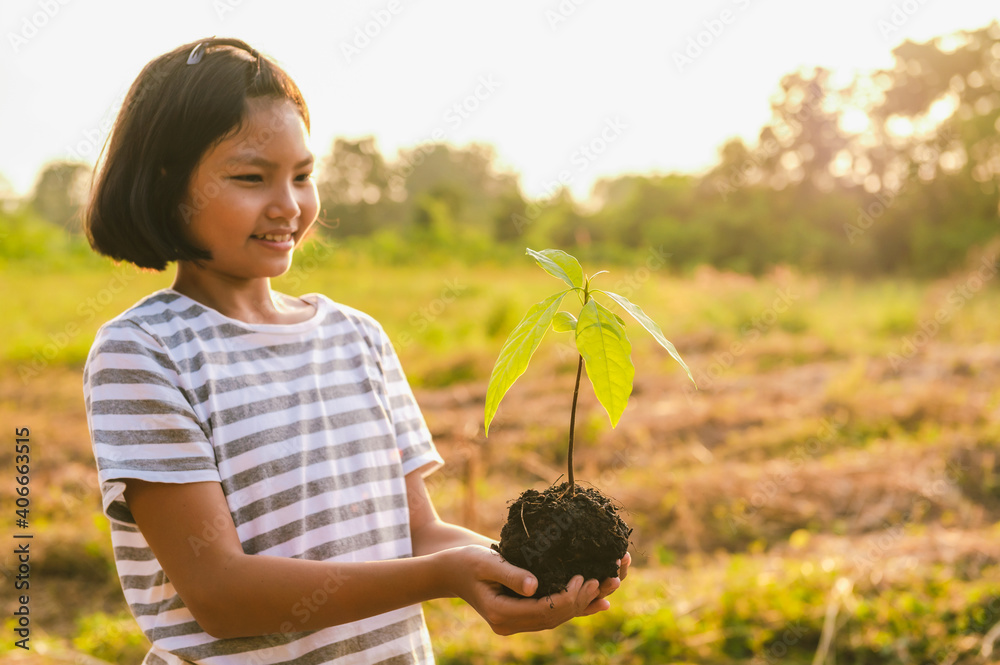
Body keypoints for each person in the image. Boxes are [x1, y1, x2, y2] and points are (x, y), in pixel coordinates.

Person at [82, 37, 629, 665]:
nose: (288, 205)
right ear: (166, 183)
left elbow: (417, 533)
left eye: (303, 176)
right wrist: (444, 578)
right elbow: (220, 595)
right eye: (250, 178)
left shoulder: (357, 337)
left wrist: (533, 574)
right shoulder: (145, 352)